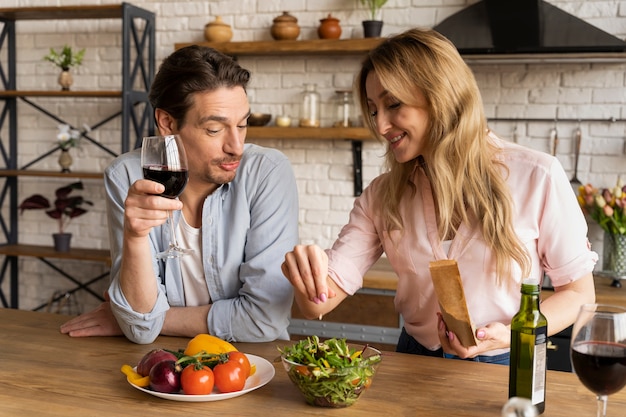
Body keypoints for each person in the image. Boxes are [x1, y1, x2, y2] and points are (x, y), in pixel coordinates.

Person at [281, 28, 597, 364]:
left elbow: (578, 295)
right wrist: (305, 270)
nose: (381, 126)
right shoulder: (382, 195)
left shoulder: (538, 176)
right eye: (374, 110)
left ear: (440, 95)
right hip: (415, 364)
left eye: (393, 104)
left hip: (507, 362)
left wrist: (517, 332)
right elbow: (317, 303)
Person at [60, 45, 299, 344]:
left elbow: (262, 321)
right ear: (168, 123)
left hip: (253, 363)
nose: (235, 146)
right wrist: (135, 238)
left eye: (242, 124)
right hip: (160, 362)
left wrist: (145, 319)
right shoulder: (127, 176)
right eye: (215, 129)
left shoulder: (267, 173)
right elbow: (140, 330)